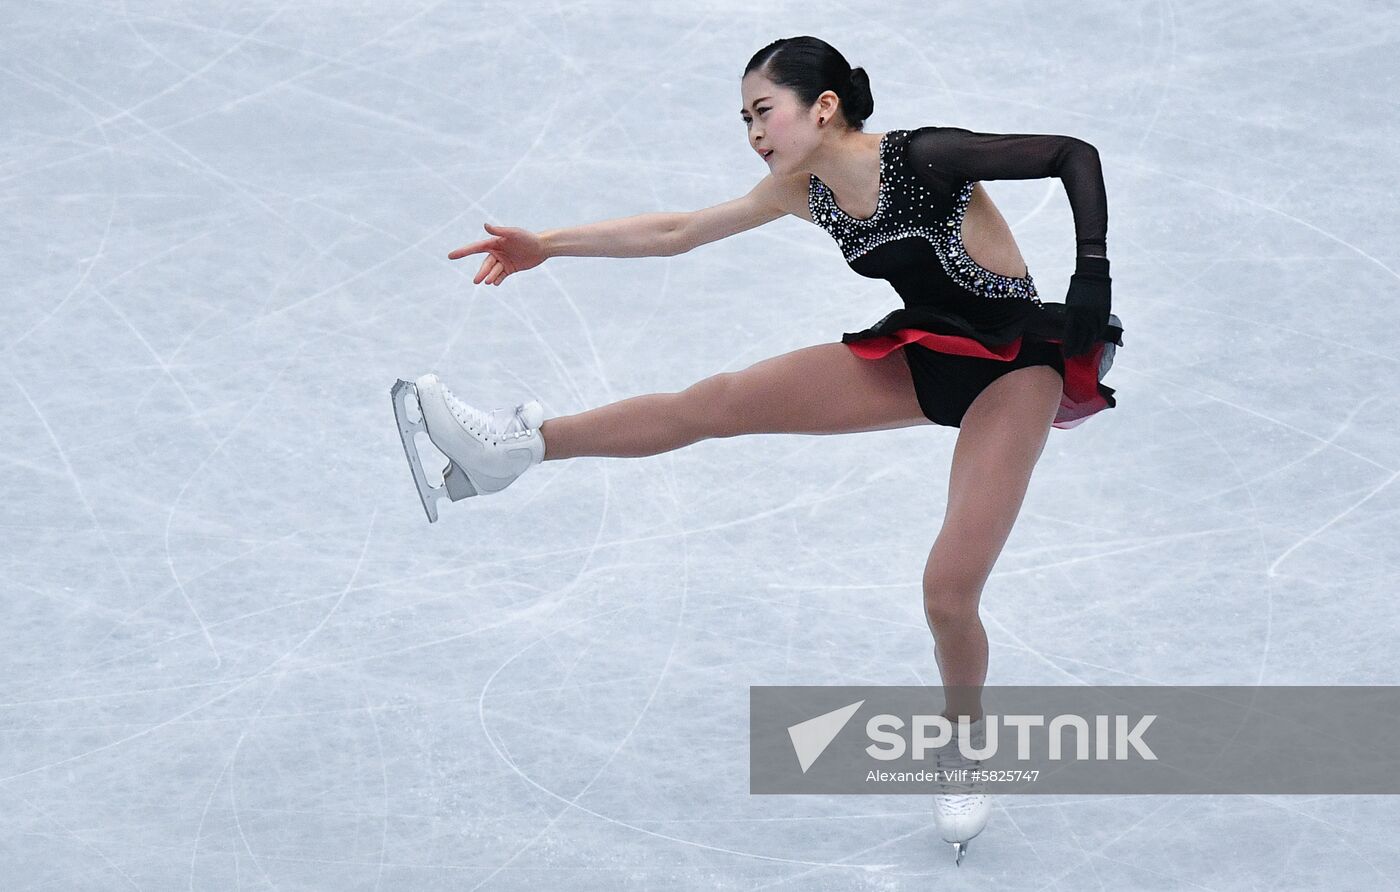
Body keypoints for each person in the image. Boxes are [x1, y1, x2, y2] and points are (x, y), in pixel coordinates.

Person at [390, 34, 1122, 865]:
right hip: (923, 355)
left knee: (947, 595)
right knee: (716, 403)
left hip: (1015, 368)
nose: (753, 132)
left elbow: (1072, 154)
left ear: (823, 106)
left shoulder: (924, 157)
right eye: (743, 118)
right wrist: (546, 244)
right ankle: (513, 452)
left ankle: (965, 746)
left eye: (762, 111)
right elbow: (677, 231)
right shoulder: (800, 190)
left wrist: (1091, 272)